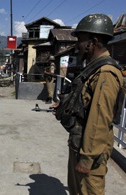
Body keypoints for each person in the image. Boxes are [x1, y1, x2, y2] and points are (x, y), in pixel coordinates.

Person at [63, 13, 123, 195]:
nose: (77, 45)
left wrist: (87, 158)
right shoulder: (93, 69)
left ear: (93, 41)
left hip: (89, 152)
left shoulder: (105, 73)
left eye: (80, 39)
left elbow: (99, 119)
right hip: (79, 145)